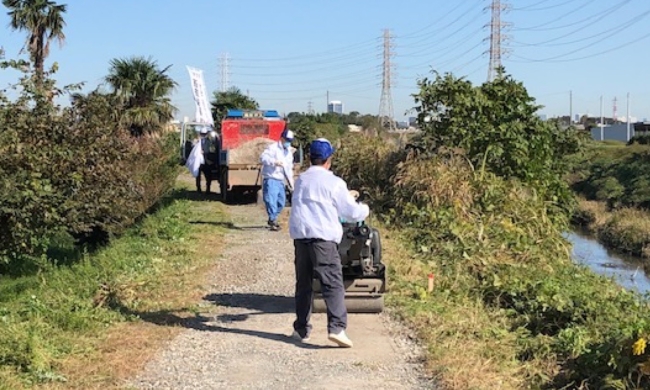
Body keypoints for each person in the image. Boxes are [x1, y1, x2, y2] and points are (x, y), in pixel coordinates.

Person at [288, 138, 369, 348]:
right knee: (332, 283)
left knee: (303, 284)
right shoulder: (335, 183)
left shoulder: (302, 180)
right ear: (329, 159)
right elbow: (350, 212)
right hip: (322, 239)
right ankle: (337, 328)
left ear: (309, 158)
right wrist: (364, 208)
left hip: (301, 237)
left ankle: (301, 329)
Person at [260, 129, 295, 231]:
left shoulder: (288, 152)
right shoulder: (273, 148)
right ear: (282, 138)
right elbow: (263, 158)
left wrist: (291, 185)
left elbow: (289, 169)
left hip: (280, 180)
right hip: (271, 177)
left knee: (281, 202)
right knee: (271, 201)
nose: (288, 142)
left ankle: (272, 218)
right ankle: (273, 220)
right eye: (287, 140)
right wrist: (273, 162)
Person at [195, 126, 216, 193]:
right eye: (202, 134)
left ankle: (208, 189)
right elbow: (194, 150)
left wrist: (204, 152)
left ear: (206, 134)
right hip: (199, 161)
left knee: (208, 176)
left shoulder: (209, 141)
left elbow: (212, 150)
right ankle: (198, 188)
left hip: (207, 161)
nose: (203, 135)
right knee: (198, 175)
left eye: (204, 134)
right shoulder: (197, 141)